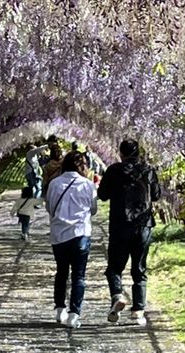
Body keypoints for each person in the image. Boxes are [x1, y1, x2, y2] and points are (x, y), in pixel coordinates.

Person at [97, 137, 161, 326]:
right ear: (138, 153)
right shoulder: (148, 170)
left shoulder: (114, 170)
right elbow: (156, 195)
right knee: (139, 269)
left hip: (120, 225)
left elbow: (102, 195)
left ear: (121, 153)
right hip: (143, 226)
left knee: (114, 268)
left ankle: (117, 295)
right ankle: (138, 311)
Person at [46, 152, 99, 329]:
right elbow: (93, 209)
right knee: (79, 275)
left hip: (59, 235)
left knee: (61, 272)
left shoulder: (54, 183)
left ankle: (60, 309)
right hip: (80, 234)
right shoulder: (88, 185)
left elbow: (49, 207)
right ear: (83, 166)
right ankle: (74, 314)